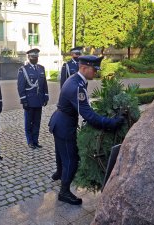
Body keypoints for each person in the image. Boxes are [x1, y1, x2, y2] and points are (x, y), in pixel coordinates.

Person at [48, 55, 124, 205]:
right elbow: (88, 115)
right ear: (84, 68)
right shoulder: (77, 86)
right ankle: (64, 192)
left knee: (61, 152)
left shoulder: (76, 80)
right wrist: (112, 122)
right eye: (94, 69)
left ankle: (59, 173)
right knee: (71, 159)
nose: (95, 73)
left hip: (60, 121)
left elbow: (83, 107)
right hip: (64, 125)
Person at [17, 48, 49, 149]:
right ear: (29, 57)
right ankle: (30, 141)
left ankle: (35, 141)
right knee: (28, 122)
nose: (35, 58)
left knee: (37, 122)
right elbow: (20, 86)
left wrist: (46, 96)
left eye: (36, 57)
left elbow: (44, 84)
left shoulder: (41, 68)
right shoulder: (23, 70)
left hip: (39, 100)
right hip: (29, 101)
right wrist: (23, 100)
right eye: (33, 57)